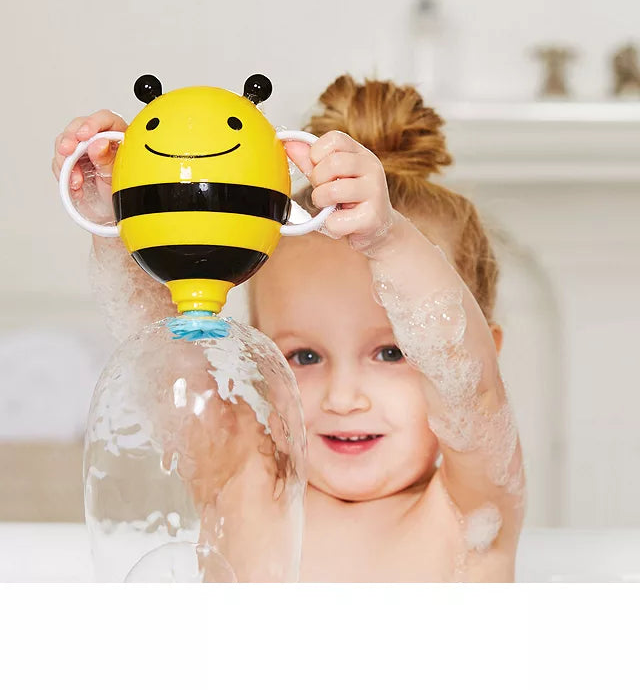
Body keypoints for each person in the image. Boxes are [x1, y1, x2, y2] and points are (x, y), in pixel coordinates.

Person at [52, 73, 525, 581]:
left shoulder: (467, 514)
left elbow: (471, 388)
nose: (345, 399)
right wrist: (122, 214)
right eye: (305, 357)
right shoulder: (244, 484)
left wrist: (388, 241)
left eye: (391, 353)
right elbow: (168, 357)